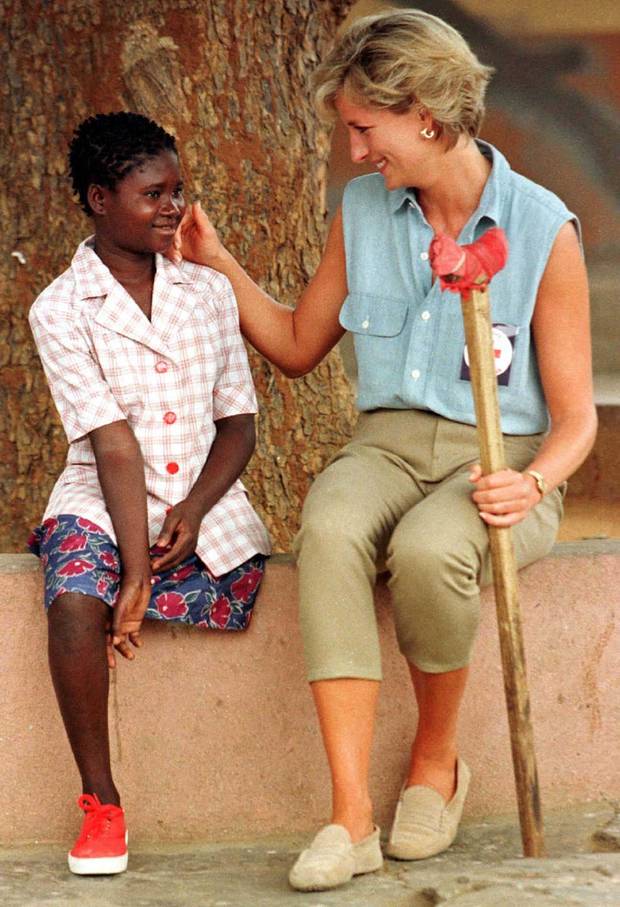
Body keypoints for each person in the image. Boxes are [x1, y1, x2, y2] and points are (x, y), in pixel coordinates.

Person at [172, 9, 596, 893]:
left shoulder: (542, 227)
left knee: (433, 549)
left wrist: (533, 483)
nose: (357, 151)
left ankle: (435, 767)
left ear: (427, 116)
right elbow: (295, 344)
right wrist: (216, 262)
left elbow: (575, 421)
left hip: (502, 453)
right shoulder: (363, 211)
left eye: (366, 129)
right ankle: (349, 817)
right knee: (329, 525)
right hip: (387, 444)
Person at [28, 111, 270, 875]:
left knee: (225, 578)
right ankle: (101, 803)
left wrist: (194, 512)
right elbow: (113, 445)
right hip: (103, 494)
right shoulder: (60, 310)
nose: (174, 207)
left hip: (203, 498)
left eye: (178, 189)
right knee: (74, 597)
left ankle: (145, 571)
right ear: (100, 198)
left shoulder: (208, 293)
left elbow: (239, 424)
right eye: (152, 193)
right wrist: (132, 573)